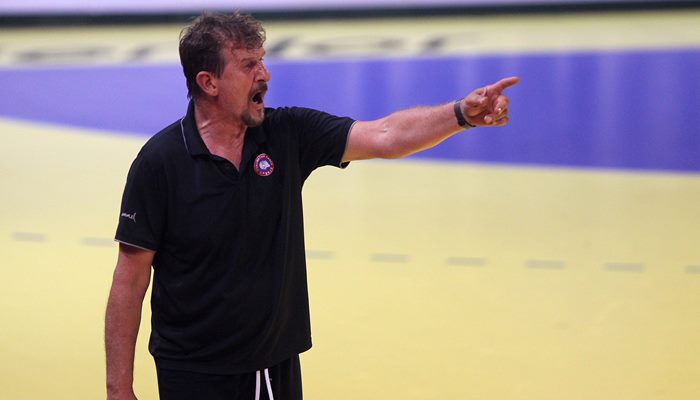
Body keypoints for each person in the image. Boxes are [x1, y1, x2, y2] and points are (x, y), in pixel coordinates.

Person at [105, 11, 519, 400]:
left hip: (275, 364)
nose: (264, 74)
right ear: (208, 82)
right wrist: (119, 389)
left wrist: (461, 114)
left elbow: (385, 135)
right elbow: (130, 279)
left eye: (262, 60)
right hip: (192, 373)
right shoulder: (160, 162)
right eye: (248, 65)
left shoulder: (286, 133)